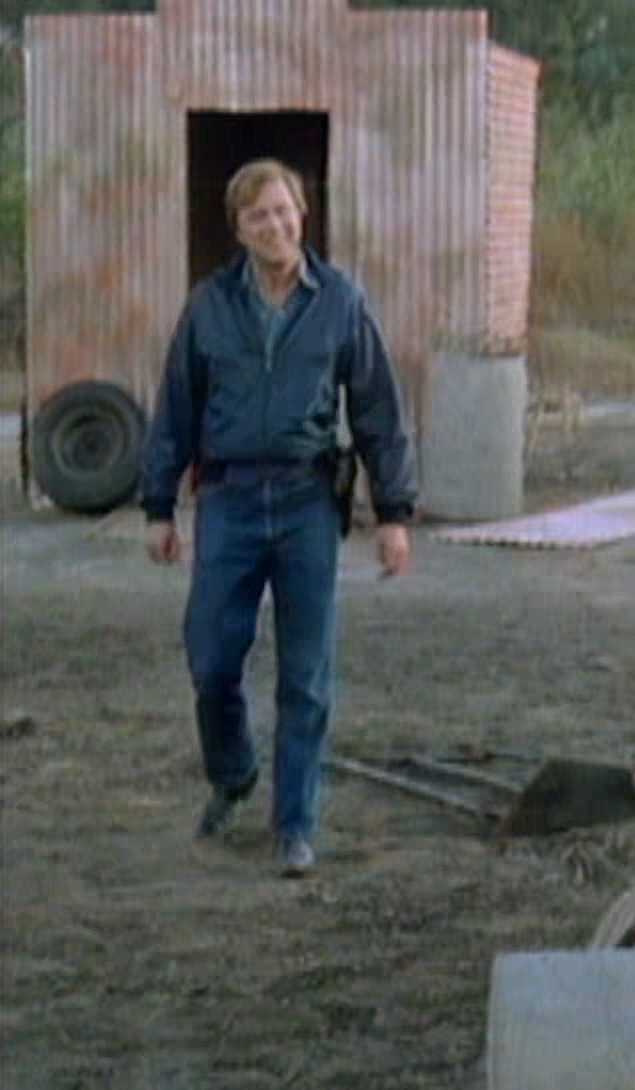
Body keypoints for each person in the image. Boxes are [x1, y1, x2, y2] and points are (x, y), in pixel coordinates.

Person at [140, 158, 419, 878]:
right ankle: (233, 770)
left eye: (284, 210)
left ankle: (294, 825)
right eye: (258, 215)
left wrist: (393, 512)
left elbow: (379, 410)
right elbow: (176, 408)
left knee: (306, 674)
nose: (275, 226)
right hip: (228, 499)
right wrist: (158, 505)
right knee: (210, 657)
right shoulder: (209, 307)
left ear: (304, 214)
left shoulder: (341, 303)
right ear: (239, 228)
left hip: (305, 501)